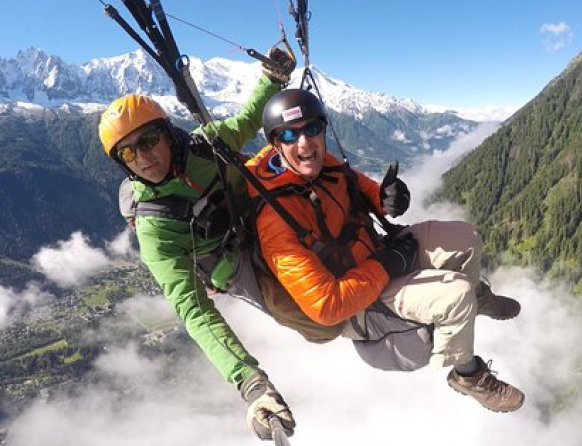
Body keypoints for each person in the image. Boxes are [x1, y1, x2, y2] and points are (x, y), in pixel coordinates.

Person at [244, 88, 525, 413]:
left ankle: (477, 297)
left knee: (466, 237)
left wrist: (386, 198)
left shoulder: (318, 163)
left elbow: (357, 186)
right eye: (290, 134)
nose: (304, 142)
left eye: (311, 129)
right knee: (456, 295)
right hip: (360, 298)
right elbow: (326, 305)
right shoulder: (274, 217)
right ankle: (468, 374)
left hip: (376, 254)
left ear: (322, 129)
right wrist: (388, 265)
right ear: (275, 144)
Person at [97, 49, 297, 440]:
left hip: (264, 218)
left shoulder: (207, 147)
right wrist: (252, 384)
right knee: (305, 311)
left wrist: (273, 78)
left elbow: (245, 120)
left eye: (150, 139)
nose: (143, 156)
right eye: (128, 152)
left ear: (168, 135)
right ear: (122, 163)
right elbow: (193, 308)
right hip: (234, 260)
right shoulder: (154, 227)